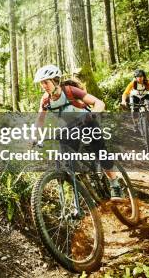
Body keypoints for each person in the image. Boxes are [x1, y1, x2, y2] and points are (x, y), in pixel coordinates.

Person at [34, 64, 123, 200]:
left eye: (46, 82)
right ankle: (82, 193)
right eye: (41, 83)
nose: (43, 86)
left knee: (100, 152)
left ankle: (115, 184)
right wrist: (35, 137)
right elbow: (40, 120)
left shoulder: (70, 90)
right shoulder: (46, 100)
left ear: (55, 80)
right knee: (68, 162)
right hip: (70, 128)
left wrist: (92, 114)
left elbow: (99, 103)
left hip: (87, 122)